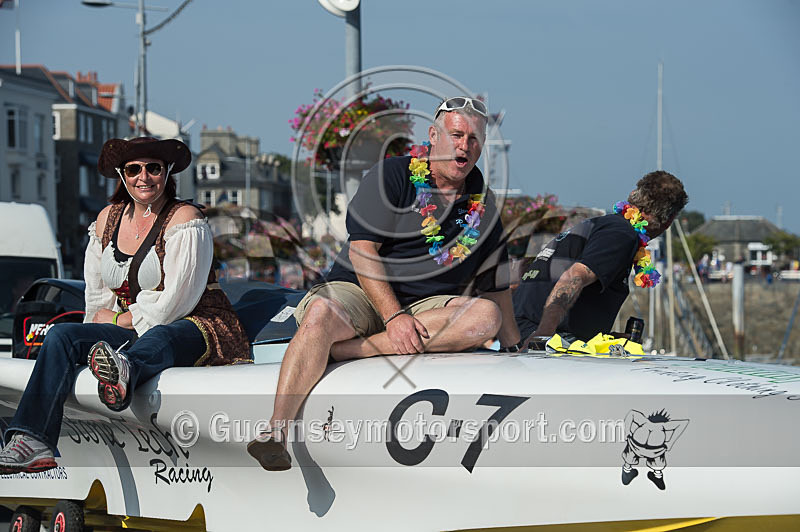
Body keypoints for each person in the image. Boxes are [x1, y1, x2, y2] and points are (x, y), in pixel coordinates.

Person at [247, 97, 521, 471]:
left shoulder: (482, 205)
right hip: (360, 289)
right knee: (322, 313)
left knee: (484, 316)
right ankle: (276, 432)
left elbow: (495, 285)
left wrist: (514, 345)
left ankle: (351, 351)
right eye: (457, 134)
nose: (465, 146)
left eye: (474, 139)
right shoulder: (392, 174)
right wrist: (393, 317)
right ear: (433, 136)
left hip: (428, 308)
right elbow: (362, 251)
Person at [0, 137, 249, 474]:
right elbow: (96, 296)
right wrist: (91, 335)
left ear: (167, 173)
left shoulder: (185, 219)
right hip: (134, 326)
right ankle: (33, 439)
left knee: (161, 337)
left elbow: (176, 303)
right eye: (134, 169)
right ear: (122, 175)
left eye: (153, 168)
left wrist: (118, 321)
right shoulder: (107, 220)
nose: (143, 177)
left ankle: (122, 371)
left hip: (196, 324)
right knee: (61, 336)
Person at [513, 171, 688, 346]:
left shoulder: (608, 225)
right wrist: (541, 338)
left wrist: (606, 336)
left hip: (528, 326)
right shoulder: (622, 234)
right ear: (669, 220)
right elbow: (574, 276)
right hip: (535, 331)